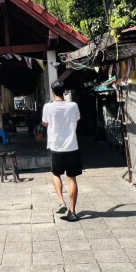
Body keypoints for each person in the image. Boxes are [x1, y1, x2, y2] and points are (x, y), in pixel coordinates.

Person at [41, 80, 82, 221]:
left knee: (56, 174)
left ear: (53, 92)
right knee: (72, 178)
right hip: (72, 147)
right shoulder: (73, 106)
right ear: (64, 91)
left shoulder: (48, 107)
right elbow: (77, 119)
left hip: (56, 147)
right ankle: (73, 212)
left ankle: (61, 202)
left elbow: (45, 123)